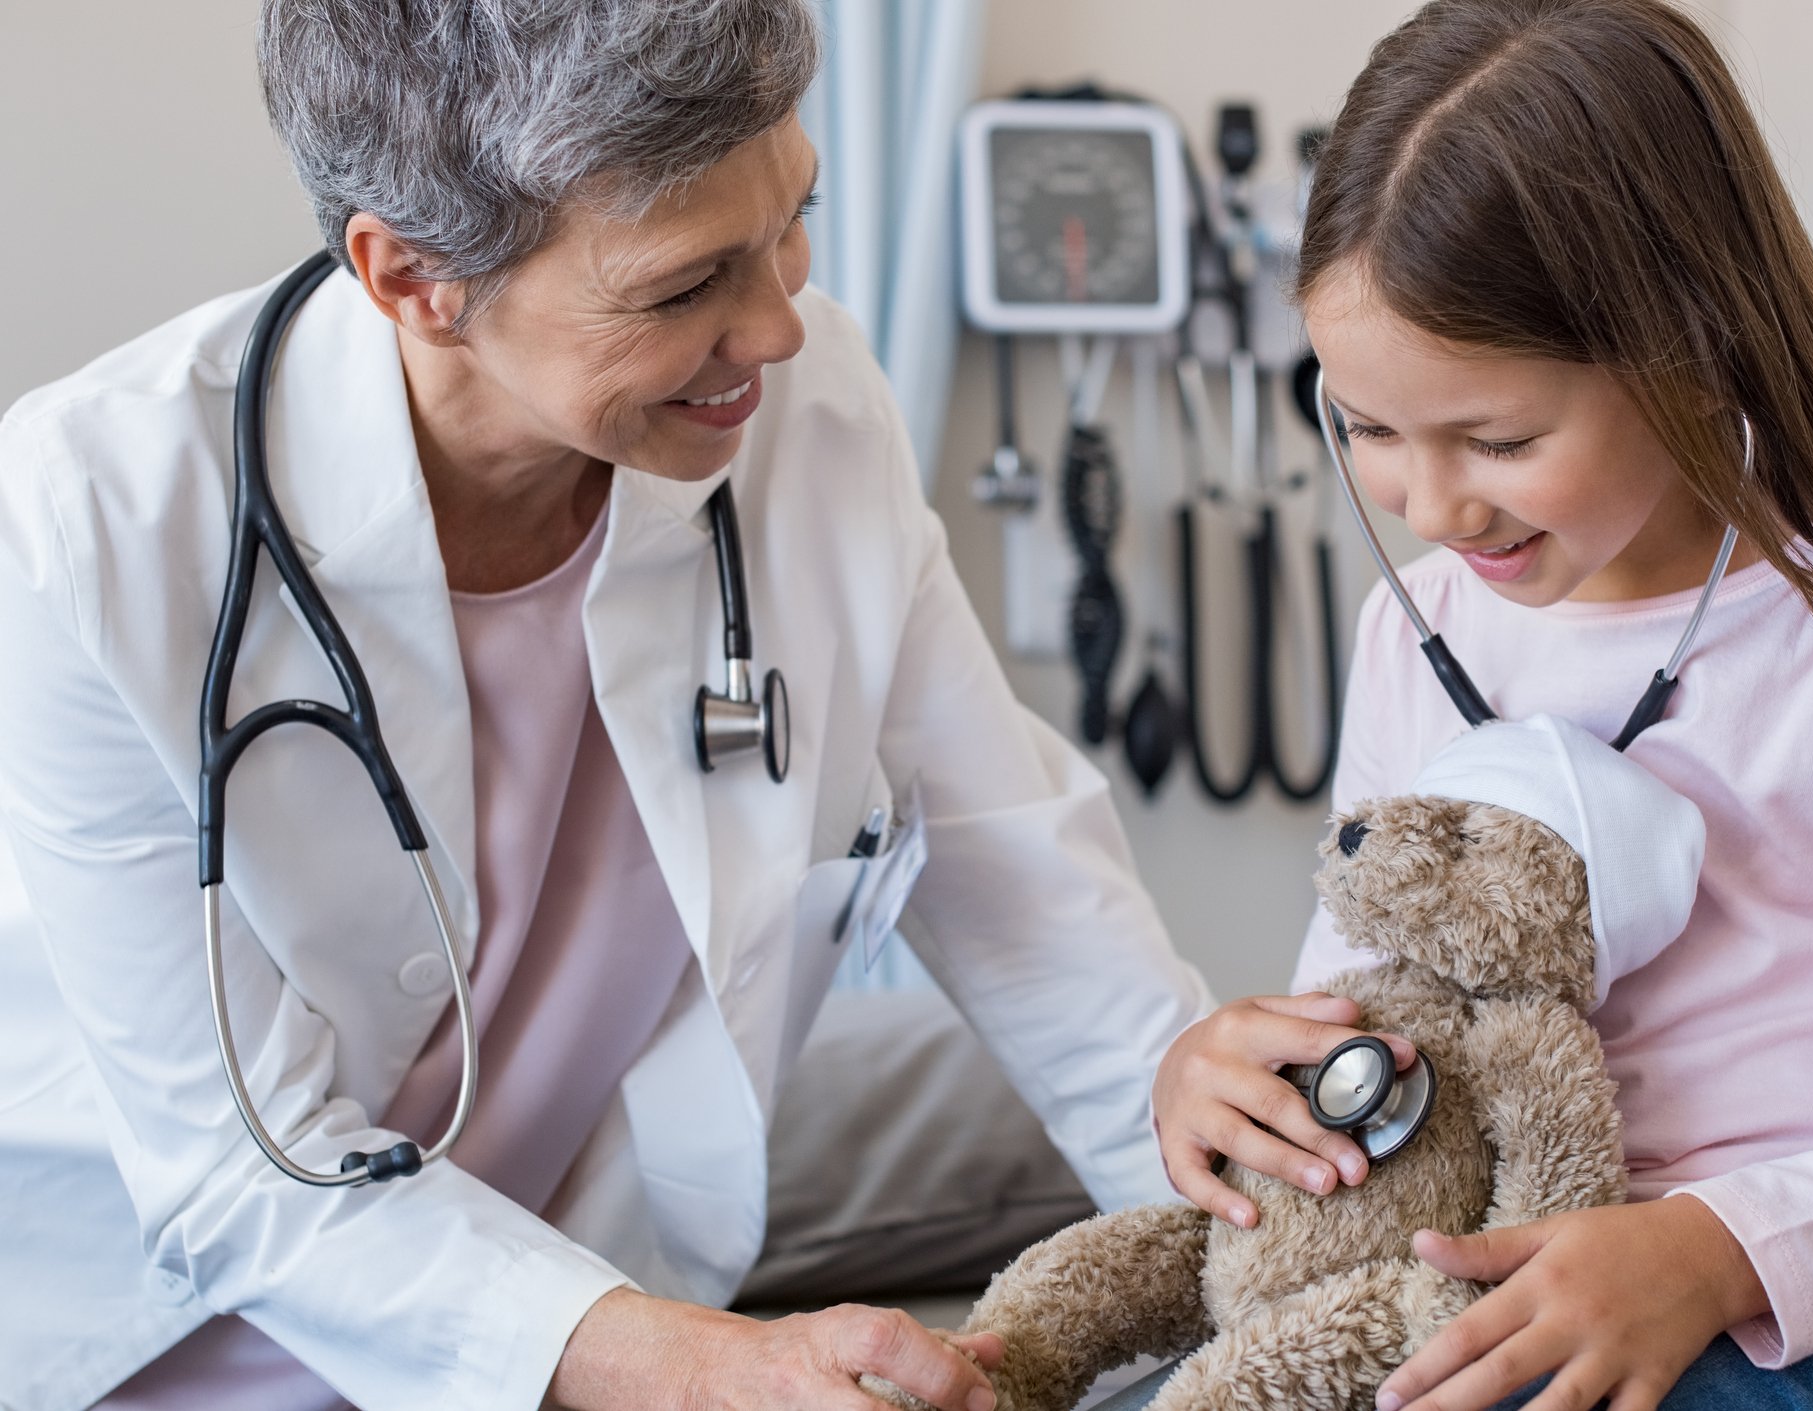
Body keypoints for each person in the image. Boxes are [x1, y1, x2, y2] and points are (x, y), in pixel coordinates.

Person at [0, 3, 1214, 1408]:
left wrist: (1231, 1183)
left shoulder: (811, 413)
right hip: (157, 1337)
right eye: (683, 284)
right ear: (414, 279)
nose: (774, 324)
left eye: (791, 220)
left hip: (581, 1284)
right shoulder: (93, 517)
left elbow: (1003, 858)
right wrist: (705, 1372)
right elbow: (238, 1172)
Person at [1150, 2, 1813, 1408]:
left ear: (1688, 347)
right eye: (1363, 426)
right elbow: (1366, 998)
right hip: (1493, 1278)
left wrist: (1706, 1251)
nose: (1430, 505)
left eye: (1499, 439)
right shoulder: (1408, 626)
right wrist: (1234, 1071)